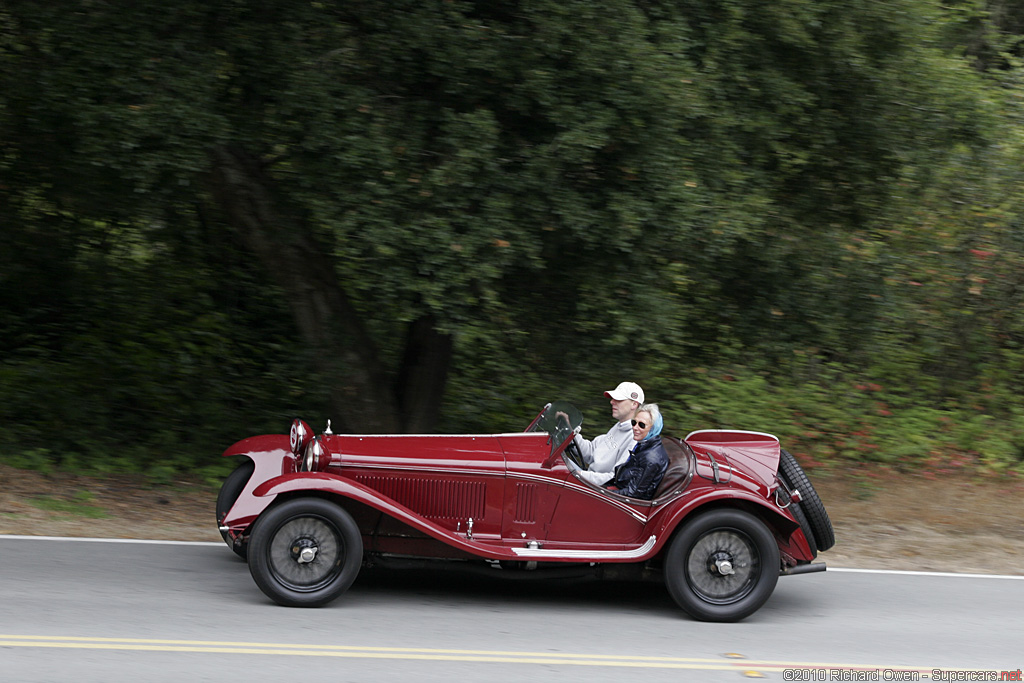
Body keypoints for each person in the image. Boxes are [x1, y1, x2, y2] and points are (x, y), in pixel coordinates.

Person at [569, 381, 644, 487]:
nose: (612, 402)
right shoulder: (619, 426)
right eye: (613, 398)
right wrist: (570, 433)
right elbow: (591, 452)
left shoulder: (634, 438)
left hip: (596, 490)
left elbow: (615, 477)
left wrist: (580, 475)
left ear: (634, 404)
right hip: (587, 479)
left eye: (619, 399)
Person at [603, 403, 669, 500]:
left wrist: (603, 493)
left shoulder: (651, 458)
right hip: (621, 487)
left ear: (653, 428)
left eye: (641, 425)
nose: (635, 427)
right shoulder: (644, 445)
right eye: (634, 422)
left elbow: (633, 493)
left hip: (629, 503)